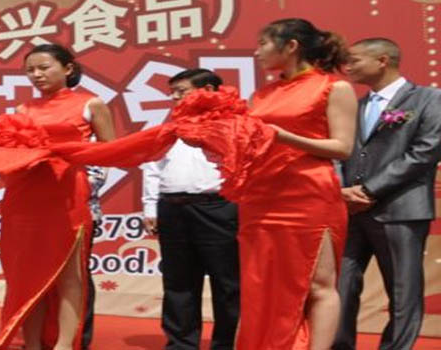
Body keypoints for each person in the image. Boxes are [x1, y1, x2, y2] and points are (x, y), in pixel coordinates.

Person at [241, 18, 356, 349]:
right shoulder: (261, 95)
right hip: (261, 196)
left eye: (263, 43)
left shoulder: (333, 87)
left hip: (309, 193)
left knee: (319, 284)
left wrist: (285, 137)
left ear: (291, 46)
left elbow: (342, 147)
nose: (257, 52)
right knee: (263, 283)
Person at [3, 44, 116, 350]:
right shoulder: (23, 110)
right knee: (29, 275)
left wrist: (85, 176)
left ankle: (65, 344)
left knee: (70, 275)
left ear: (68, 68)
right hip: (26, 196)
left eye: (44, 68)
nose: (36, 75)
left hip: (69, 195)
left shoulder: (91, 103)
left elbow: (110, 150)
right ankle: (33, 343)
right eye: (30, 70)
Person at [334, 38, 441, 350]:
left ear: (382, 60)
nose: (347, 67)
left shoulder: (429, 98)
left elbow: (425, 152)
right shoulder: (356, 105)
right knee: (340, 285)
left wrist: (370, 189)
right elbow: (341, 152)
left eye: (354, 60)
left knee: (402, 289)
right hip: (350, 210)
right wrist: (343, 191)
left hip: (400, 209)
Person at [140, 69, 240, 350]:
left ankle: (227, 344)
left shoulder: (233, 124)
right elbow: (152, 166)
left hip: (218, 207)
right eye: (172, 92)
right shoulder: (169, 125)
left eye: (181, 91)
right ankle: (181, 344)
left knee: (228, 283)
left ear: (207, 90)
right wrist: (150, 207)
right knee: (178, 282)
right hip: (173, 208)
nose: (174, 97)